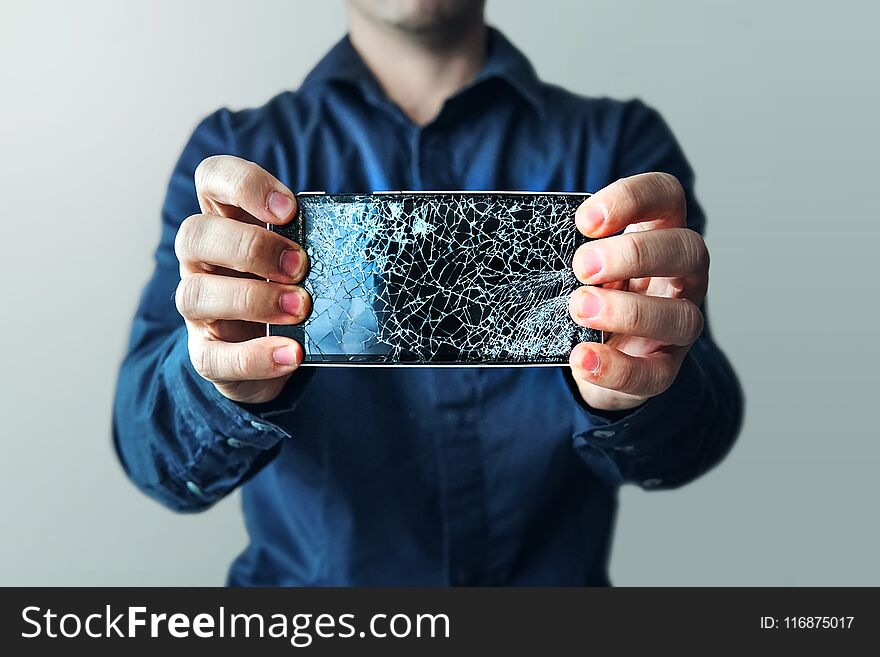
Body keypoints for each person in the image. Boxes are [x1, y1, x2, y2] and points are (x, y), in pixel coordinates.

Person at [113, 0, 743, 585]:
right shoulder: (237, 160)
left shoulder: (621, 148)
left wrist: (635, 394)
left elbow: (695, 437)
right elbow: (155, 458)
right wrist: (218, 381)